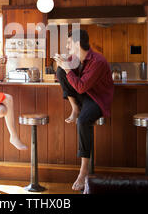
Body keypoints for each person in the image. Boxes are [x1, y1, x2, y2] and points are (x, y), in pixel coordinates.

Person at [54, 29, 114, 191]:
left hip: (97, 99)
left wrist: (67, 69)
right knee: (60, 70)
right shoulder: (74, 59)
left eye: (68, 43)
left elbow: (80, 87)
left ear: (77, 44)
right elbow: (62, 76)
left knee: (83, 121)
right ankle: (75, 108)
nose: (67, 47)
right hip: (83, 99)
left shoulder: (98, 61)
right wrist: (62, 65)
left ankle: (83, 171)